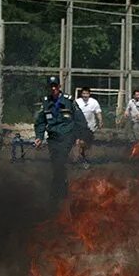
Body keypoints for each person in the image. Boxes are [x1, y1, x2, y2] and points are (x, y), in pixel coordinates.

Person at [34, 76, 87, 206]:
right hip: (53, 138)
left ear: (59, 86)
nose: (53, 89)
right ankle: (62, 187)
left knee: (60, 161)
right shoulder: (46, 102)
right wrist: (39, 137)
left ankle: (56, 193)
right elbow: (40, 122)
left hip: (67, 137)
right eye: (51, 86)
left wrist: (80, 137)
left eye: (55, 86)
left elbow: (80, 120)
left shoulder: (69, 101)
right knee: (56, 164)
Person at [74, 86, 102, 168]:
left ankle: (84, 157)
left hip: (90, 127)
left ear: (89, 94)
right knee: (79, 142)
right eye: (83, 93)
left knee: (86, 145)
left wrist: (100, 121)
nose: (85, 95)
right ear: (81, 94)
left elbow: (98, 112)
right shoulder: (77, 102)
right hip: (79, 126)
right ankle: (79, 160)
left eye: (87, 93)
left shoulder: (94, 102)